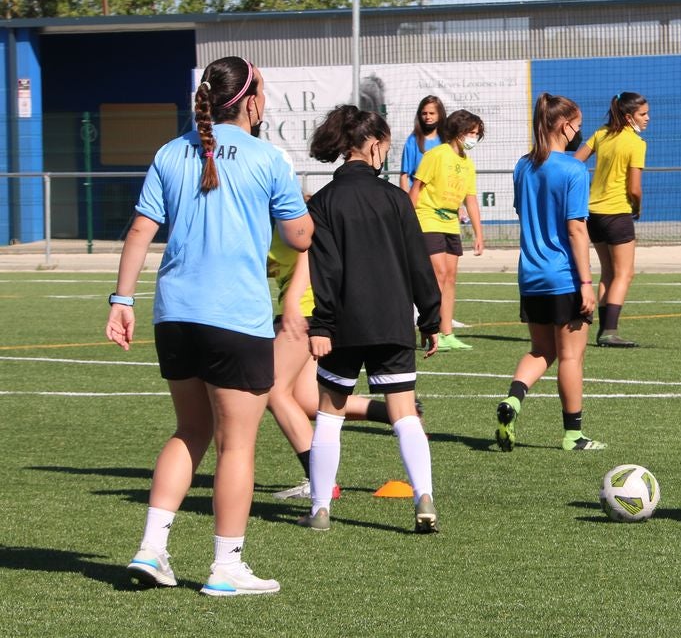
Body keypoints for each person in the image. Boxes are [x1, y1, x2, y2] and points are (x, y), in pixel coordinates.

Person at [108, 56, 313, 596]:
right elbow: (299, 237)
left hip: (174, 314)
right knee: (237, 445)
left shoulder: (170, 152)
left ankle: (152, 549)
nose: (265, 101)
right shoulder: (268, 158)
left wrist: (121, 300)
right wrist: (311, 215)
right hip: (234, 318)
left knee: (189, 431)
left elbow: (138, 231)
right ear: (248, 101)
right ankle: (226, 565)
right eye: (263, 92)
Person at [301, 104, 442, 533]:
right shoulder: (396, 199)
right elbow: (420, 264)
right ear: (375, 145)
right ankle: (424, 498)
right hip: (391, 321)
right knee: (404, 413)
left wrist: (321, 325)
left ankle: (321, 508)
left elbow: (324, 270)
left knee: (330, 413)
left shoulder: (324, 201)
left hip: (343, 324)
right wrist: (431, 318)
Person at [496, 93, 605, 452]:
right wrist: (586, 283)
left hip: (530, 275)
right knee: (571, 356)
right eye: (577, 123)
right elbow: (576, 229)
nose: (580, 131)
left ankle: (513, 400)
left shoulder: (522, 166)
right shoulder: (574, 169)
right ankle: (573, 434)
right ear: (564, 125)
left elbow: (525, 211)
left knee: (541, 349)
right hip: (563, 276)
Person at [265, 228, 406, 501]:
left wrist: (293, 300)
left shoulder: (283, 219)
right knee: (306, 400)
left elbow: (308, 249)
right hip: (307, 309)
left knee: (273, 390)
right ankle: (392, 412)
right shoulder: (265, 220)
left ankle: (319, 481)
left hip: (306, 310)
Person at [573, 92, 648, 348]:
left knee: (608, 272)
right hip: (617, 212)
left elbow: (575, 162)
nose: (648, 118)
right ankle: (610, 331)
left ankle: (604, 330)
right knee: (625, 274)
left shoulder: (602, 133)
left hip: (593, 213)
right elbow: (635, 188)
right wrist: (637, 206)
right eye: (643, 114)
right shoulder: (636, 143)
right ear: (629, 117)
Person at [409, 109, 485, 351]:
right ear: (459, 131)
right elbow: (416, 188)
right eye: (472, 132)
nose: (474, 137)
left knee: (450, 277)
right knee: (438, 274)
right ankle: (430, 328)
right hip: (428, 218)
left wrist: (478, 233)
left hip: (451, 223)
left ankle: (447, 332)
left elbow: (470, 199)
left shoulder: (467, 162)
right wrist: (407, 223)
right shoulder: (436, 155)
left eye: (477, 134)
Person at [398, 95, 446, 192]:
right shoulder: (413, 141)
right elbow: (404, 175)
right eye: (424, 113)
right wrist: (407, 203)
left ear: (440, 115)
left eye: (432, 113)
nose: (428, 117)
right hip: (420, 201)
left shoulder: (446, 141)